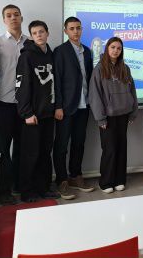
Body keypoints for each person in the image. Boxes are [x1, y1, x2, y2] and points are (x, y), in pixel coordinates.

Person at [16, 20, 58, 202]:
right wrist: (26, 113)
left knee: (45, 154)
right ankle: (27, 191)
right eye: (34, 33)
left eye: (41, 32)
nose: (39, 35)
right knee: (30, 155)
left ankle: (44, 188)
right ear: (31, 37)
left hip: (49, 114)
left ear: (47, 33)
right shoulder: (26, 56)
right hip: (33, 116)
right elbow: (21, 86)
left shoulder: (51, 55)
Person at [53, 16, 95, 200]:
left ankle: (75, 176)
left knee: (79, 143)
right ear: (66, 31)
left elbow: (89, 78)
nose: (76, 31)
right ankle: (61, 180)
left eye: (78, 28)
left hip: (84, 106)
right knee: (62, 145)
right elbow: (57, 81)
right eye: (72, 28)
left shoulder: (87, 51)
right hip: (66, 107)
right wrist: (58, 106)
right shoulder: (60, 51)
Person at [89, 37, 138, 193]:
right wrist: (100, 118)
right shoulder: (99, 69)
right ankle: (106, 182)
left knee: (121, 148)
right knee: (109, 149)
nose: (116, 50)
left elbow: (132, 91)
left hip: (123, 115)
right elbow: (95, 95)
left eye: (119, 48)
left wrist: (133, 112)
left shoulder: (125, 68)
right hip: (107, 117)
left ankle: (119, 179)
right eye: (113, 47)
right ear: (107, 49)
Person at [0, 4, 27, 204]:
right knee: (2, 149)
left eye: (16, 15)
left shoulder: (30, 43)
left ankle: (20, 186)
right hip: (4, 103)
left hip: (25, 106)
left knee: (23, 148)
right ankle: (3, 191)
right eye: (9, 15)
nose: (13, 18)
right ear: (4, 20)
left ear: (21, 18)